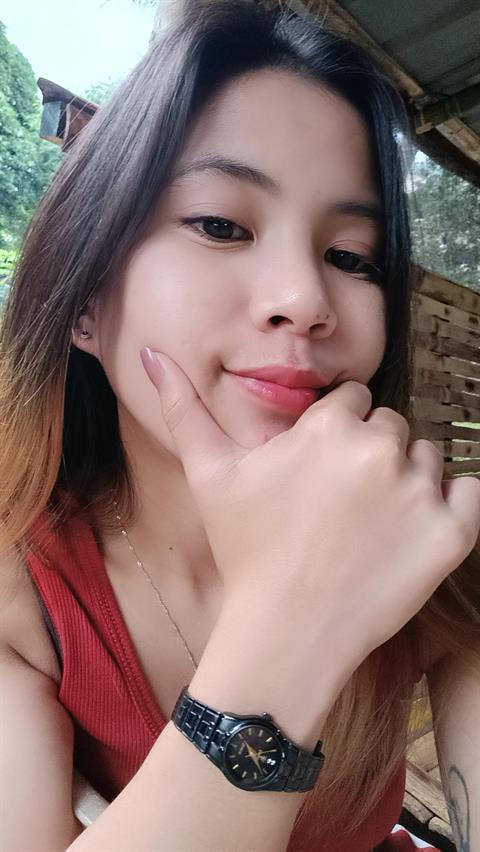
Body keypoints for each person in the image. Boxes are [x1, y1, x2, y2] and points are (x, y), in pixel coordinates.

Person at [0, 2, 479, 851]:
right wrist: (289, 632)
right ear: (83, 302)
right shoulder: (24, 591)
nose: (305, 299)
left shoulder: (419, 537)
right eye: (220, 224)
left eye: (353, 258)